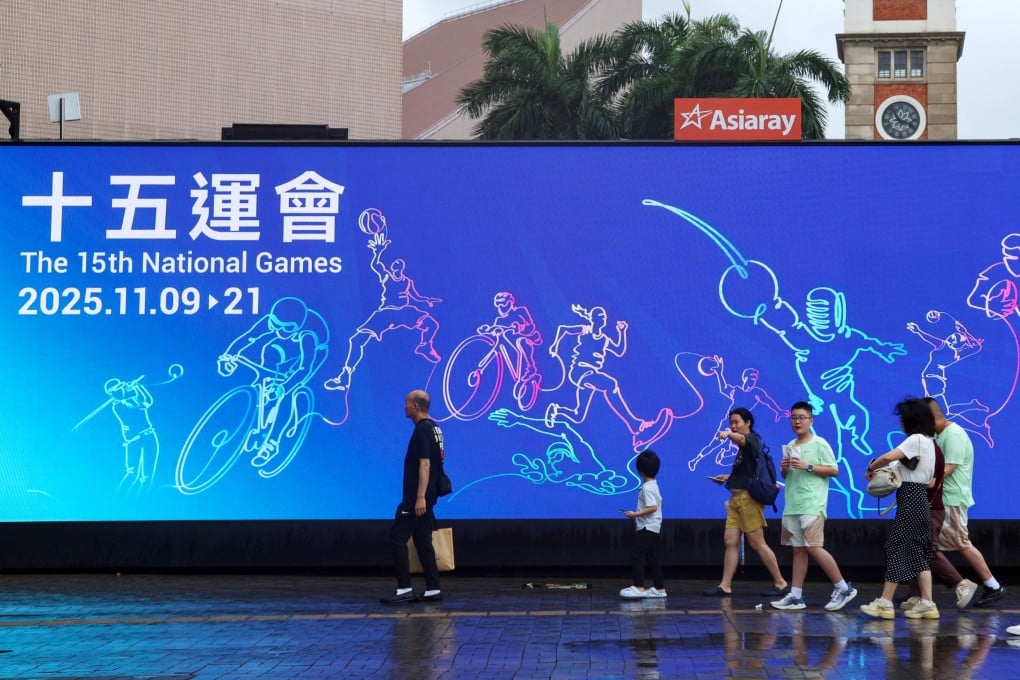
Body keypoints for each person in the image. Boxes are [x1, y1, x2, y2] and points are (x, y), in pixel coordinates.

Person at [770, 402, 858, 611]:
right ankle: (796, 595)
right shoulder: (791, 445)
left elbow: (833, 470)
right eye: (793, 418)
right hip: (793, 504)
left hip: (812, 503)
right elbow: (787, 476)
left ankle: (843, 588)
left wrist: (807, 466)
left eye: (801, 417)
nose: (797, 421)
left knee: (812, 547)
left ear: (811, 420)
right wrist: (784, 469)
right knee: (798, 551)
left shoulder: (819, 443)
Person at [860, 398, 939, 620]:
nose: (900, 423)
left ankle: (885, 603)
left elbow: (887, 457)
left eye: (902, 419)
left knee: (896, 548)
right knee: (918, 552)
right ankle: (928, 603)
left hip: (911, 500)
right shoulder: (929, 443)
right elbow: (930, 481)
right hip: (919, 499)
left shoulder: (915, 440)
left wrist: (871, 466)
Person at [927, 398, 1006, 607]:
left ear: (934, 418)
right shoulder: (939, 433)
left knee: (959, 542)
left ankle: (993, 585)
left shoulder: (954, 435)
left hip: (951, 499)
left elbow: (947, 469)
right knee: (924, 545)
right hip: (941, 499)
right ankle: (917, 594)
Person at [899, 400, 977, 611]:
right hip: (928, 503)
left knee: (927, 549)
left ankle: (962, 584)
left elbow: (936, 476)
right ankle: (917, 596)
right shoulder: (931, 440)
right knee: (919, 547)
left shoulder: (939, 440)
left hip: (936, 503)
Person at [703, 407, 788, 597]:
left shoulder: (751, 439)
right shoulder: (743, 450)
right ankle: (725, 585)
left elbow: (741, 439)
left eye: (736, 422)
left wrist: (728, 434)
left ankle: (781, 582)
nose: (733, 426)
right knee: (730, 541)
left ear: (748, 422)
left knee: (757, 543)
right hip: (735, 501)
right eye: (731, 423)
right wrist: (726, 477)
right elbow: (745, 474)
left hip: (748, 500)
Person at [380, 390, 445, 604]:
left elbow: (425, 464)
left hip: (417, 498)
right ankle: (433, 589)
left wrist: (419, 497)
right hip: (428, 496)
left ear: (416, 406)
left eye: (407, 402)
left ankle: (404, 588)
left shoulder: (422, 430)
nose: (404, 406)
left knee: (397, 539)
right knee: (422, 541)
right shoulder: (435, 428)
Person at [619, 450, 667, 599]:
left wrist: (634, 514)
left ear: (639, 471)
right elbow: (659, 503)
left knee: (636, 554)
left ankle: (639, 587)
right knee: (651, 556)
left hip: (648, 527)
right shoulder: (653, 485)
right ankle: (660, 589)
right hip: (652, 526)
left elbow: (652, 507)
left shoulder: (647, 487)